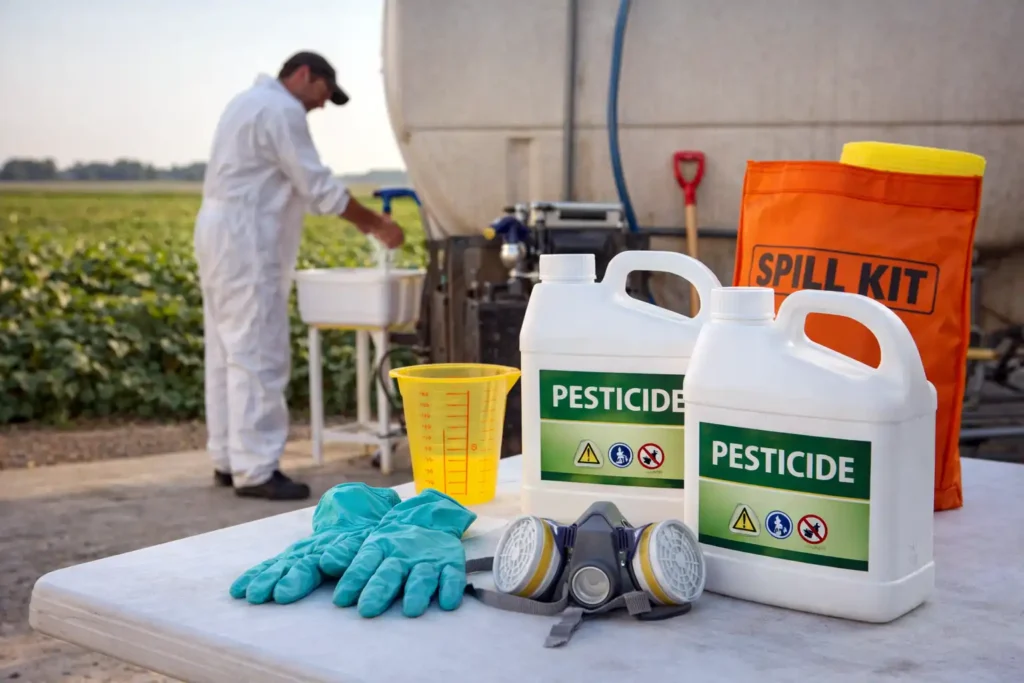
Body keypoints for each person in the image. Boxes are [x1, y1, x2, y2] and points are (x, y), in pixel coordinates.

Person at [193, 51, 404, 500]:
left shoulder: (245, 103)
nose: (322, 106)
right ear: (304, 75)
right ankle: (256, 470)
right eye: (323, 94)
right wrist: (376, 224)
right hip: (247, 239)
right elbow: (319, 186)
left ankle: (229, 459)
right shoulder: (281, 110)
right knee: (257, 353)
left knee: (226, 349)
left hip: (218, 233)